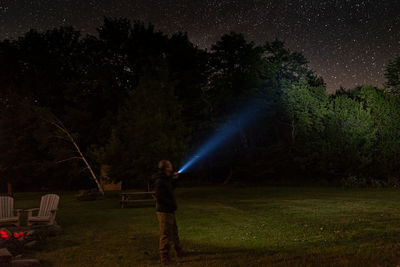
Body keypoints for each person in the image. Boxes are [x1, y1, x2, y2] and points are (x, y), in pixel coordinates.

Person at [154, 160, 184, 265]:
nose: (172, 166)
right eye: (170, 165)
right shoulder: (160, 180)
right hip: (164, 211)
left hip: (169, 210)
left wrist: (174, 180)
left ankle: (178, 251)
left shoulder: (166, 179)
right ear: (166, 168)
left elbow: (171, 189)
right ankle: (164, 257)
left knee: (174, 232)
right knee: (165, 233)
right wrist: (170, 205)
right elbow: (159, 197)